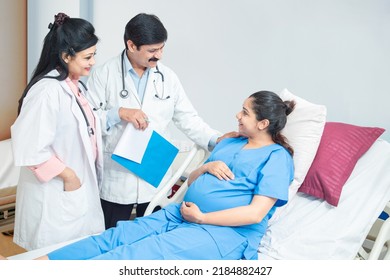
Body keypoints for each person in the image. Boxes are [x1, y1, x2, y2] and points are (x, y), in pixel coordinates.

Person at [25, 90, 296, 260]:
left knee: (133, 256)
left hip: (225, 233)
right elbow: (192, 181)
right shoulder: (229, 142)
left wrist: (201, 217)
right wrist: (205, 167)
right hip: (182, 214)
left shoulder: (277, 158)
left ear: (263, 124)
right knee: (115, 238)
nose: (237, 115)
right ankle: (39, 266)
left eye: (245, 113)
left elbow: (255, 214)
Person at [86, 13, 233, 228]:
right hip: (117, 178)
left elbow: (187, 118)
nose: (159, 55)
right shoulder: (104, 75)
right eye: (153, 50)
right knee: (110, 237)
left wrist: (216, 139)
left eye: (162, 48)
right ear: (131, 45)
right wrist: (117, 113)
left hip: (153, 176)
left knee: (152, 236)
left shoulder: (168, 77)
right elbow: (87, 121)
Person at [10, 13, 105, 251]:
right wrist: (69, 175)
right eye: (88, 56)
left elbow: (87, 124)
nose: (93, 62)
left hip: (77, 192)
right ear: (65, 56)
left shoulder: (74, 85)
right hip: (56, 193)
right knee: (54, 261)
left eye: (94, 55)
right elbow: (30, 148)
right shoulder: (47, 92)